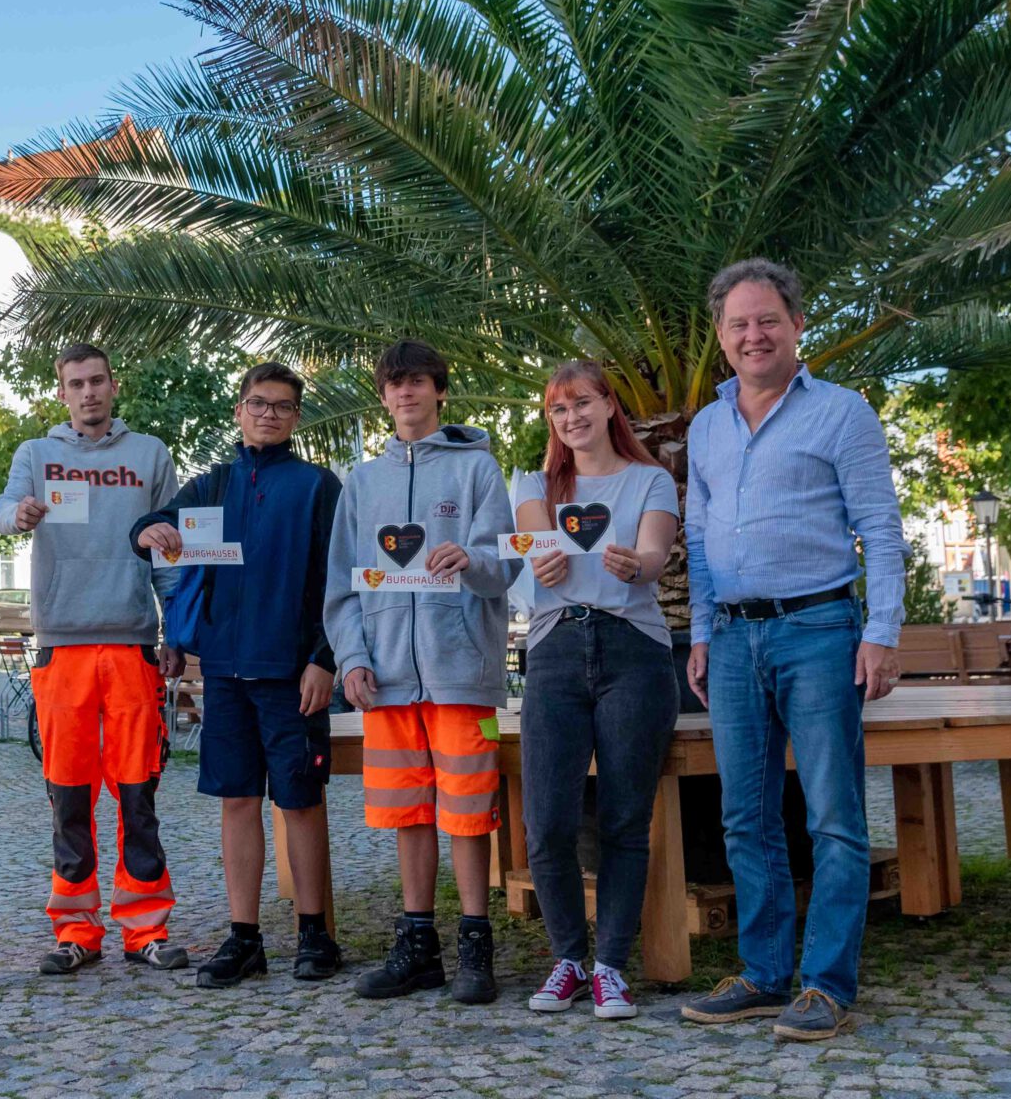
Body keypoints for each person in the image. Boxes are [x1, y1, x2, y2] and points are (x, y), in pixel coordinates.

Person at [679, 259, 905, 1042]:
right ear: (720, 336)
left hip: (819, 631)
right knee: (746, 816)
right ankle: (765, 974)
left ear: (797, 324)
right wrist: (703, 633)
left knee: (835, 816)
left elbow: (880, 527)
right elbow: (700, 542)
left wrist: (880, 632)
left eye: (767, 319)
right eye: (738, 324)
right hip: (735, 639)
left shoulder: (842, 413)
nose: (753, 335)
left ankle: (826, 983)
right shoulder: (705, 427)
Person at [129, 362, 344, 987]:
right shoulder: (212, 484)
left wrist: (324, 659)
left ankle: (315, 935)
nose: (268, 413)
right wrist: (152, 530)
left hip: (292, 673)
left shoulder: (316, 486)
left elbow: (337, 583)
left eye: (281, 405)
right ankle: (244, 937)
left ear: (296, 417)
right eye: (257, 403)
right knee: (238, 801)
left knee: (302, 802)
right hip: (223, 673)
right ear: (239, 411)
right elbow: (143, 530)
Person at [323, 339, 520, 1004]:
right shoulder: (362, 481)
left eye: (417, 382)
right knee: (407, 811)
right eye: (393, 384)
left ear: (439, 390)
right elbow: (342, 585)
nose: (405, 393)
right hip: (386, 682)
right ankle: (416, 946)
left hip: (462, 676)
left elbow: (504, 566)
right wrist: (352, 657)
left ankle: (474, 943)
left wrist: (473, 559)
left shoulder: (477, 471)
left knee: (467, 814)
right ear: (382, 396)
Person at [0, 343, 189, 974]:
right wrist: (18, 514)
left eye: (97, 381)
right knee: (69, 796)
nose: (88, 393)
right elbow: (2, 514)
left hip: (133, 643)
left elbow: (169, 545)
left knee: (138, 794)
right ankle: (76, 930)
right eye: (75, 384)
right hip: (61, 647)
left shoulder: (150, 455)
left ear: (113, 384)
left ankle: (145, 930)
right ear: (61, 393)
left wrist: (176, 630)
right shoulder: (36, 454)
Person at [513, 361, 680, 1021]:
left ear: (610, 406)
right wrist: (542, 560)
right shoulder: (536, 483)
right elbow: (533, 545)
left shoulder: (650, 480)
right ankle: (569, 960)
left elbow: (656, 555)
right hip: (555, 650)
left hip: (632, 650)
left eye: (583, 402)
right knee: (547, 822)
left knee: (622, 819)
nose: (572, 417)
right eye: (558, 409)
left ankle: (610, 965)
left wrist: (634, 564)